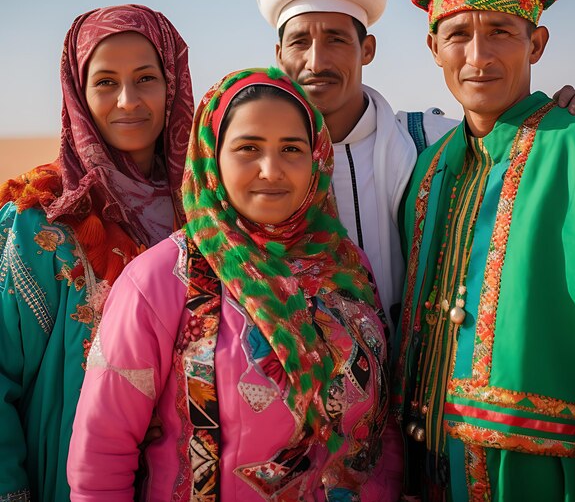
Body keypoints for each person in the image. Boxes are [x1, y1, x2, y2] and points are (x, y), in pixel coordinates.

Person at [67, 68, 402, 501]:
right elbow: (102, 455)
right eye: (248, 148)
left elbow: (382, 426)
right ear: (212, 157)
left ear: (317, 156)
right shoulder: (163, 279)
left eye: (291, 148)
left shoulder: (345, 266)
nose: (271, 169)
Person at [393, 0, 575, 501]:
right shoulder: (426, 169)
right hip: (427, 473)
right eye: (457, 35)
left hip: (553, 481)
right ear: (433, 48)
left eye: (500, 31)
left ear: (537, 44)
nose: (478, 56)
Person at [256, 0, 575, 332]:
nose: (316, 62)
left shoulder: (431, 145)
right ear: (278, 55)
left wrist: (569, 125)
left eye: (337, 40)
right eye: (298, 43)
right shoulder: (256, 166)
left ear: (368, 50)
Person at [0, 4, 194, 502]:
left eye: (146, 77)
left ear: (173, 82)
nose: (128, 100)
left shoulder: (208, 216)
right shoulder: (41, 222)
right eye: (105, 82)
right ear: (78, 93)